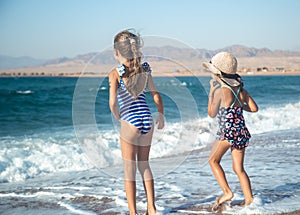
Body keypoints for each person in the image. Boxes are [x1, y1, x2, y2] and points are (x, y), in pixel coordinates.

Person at [109, 29, 164, 215]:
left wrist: (118, 116)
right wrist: (161, 115)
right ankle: (151, 207)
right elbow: (155, 95)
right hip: (147, 119)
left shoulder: (115, 73)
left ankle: (133, 212)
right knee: (144, 165)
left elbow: (112, 102)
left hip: (130, 122)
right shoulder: (145, 68)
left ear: (117, 52)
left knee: (129, 171)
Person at [203, 52, 258, 209]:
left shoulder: (221, 92)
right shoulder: (241, 91)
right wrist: (241, 106)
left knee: (213, 161)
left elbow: (211, 113)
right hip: (241, 132)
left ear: (218, 74)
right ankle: (249, 199)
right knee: (238, 168)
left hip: (227, 133)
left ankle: (227, 192)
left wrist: (211, 93)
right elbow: (254, 109)